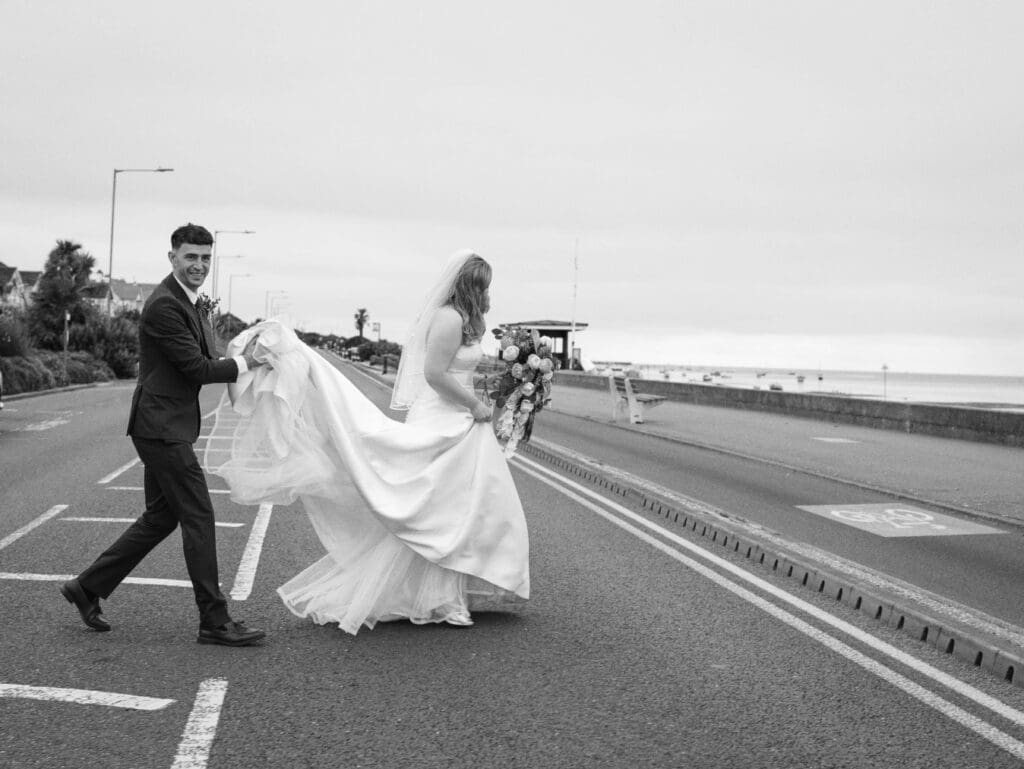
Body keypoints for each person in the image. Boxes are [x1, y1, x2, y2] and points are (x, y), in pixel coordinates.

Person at [205, 250, 529, 633]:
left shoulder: (467, 320)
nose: (487, 291)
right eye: (483, 285)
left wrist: (512, 380)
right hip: (444, 419)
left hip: (462, 420)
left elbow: (463, 369)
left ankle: (447, 589)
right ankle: (439, 598)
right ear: (469, 285)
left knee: (459, 509)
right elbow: (435, 374)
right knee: (435, 511)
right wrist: (475, 404)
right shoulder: (447, 318)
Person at [61, 223, 268, 647]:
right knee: (199, 514)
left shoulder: (187, 302)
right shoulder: (163, 306)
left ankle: (87, 588)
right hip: (161, 428)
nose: (199, 265)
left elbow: (202, 357)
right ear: (172, 257)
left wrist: (238, 352)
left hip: (165, 424)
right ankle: (214, 619)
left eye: (205, 258)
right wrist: (249, 362)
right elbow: (197, 369)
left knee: (161, 517)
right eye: (191, 257)